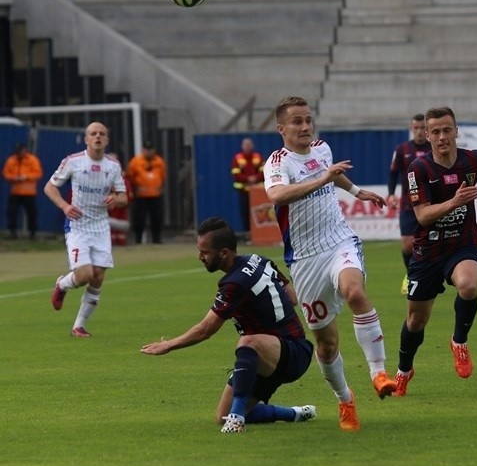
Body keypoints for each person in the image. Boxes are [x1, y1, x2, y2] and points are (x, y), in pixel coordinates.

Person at [263, 95, 396, 432]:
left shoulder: (322, 149)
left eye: (308, 120)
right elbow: (277, 196)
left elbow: (332, 175)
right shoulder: (278, 162)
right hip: (305, 259)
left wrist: (356, 190)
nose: (305, 126)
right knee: (326, 344)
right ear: (282, 128)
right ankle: (344, 399)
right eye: (297, 121)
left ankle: (378, 372)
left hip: (339, 241)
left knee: (354, 291)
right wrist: (324, 179)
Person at [141, 217, 316, 434]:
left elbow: (207, 329)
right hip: (267, 355)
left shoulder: (234, 283)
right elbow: (291, 297)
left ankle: (236, 420)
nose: (200, 257)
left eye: (204, 252)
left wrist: (169, 345)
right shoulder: (258, 259)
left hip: (292, 352)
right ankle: (296, 414)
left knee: (248, 341)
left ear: (223, 253)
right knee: (220, 415)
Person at [393, 107, 477, 396]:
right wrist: (454, 202)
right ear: (427, 135)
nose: (442, 137)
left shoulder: (474, 159)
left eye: (447, 130)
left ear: (456, 131)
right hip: (428, 251)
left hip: (462, 244)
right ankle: (404, 370)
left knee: (469, 285)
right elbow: (423, 216)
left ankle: (459, 342)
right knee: (416, 321)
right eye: (435, 132)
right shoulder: (419, 168)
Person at [44, 122, 128, 337]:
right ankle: (62, 284)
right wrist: (64, 206)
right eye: (93, 133)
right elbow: (50, 187)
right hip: (78, 225)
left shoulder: (114, 166)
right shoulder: (73, 162)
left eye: (102, 133)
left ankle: (78, 326)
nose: (98, 136)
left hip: (100, 226)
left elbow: (124, 197)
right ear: (86, 139)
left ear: (107, 140)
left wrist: (115, 199)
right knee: (84, 275)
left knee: (98, 276)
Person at [386, 114, 431, 294]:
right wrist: (390, 194)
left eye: (422, 128)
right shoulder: (402, 149)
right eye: (416, 128)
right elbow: (393, 174)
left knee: (431, 242)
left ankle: (431, 274)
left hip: (429, 203)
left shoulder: (433, 149)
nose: (419, 131)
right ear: (411, 129)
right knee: (406, 244)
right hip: (407, 204)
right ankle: (410, 274)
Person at [126, 141, 166, 244]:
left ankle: (157, 240)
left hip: (156, 195)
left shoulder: (159, 161)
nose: (149, 152)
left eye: (150, 149)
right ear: (143, 150)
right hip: (141, 196)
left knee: (156, 218)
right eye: (146, 149)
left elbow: (163, 176)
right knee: (139, 219)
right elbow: (129, 176)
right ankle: (138, 240)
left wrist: (160, 188)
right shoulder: (136, 162)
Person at [2, 142, 43, 240]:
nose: (19, 153)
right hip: (15, 192)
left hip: (29, 193)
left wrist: (26, 177)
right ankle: (13, 233)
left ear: (25, 150)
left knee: (32, 213)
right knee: (11, 212)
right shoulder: (11, 160)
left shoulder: (32, 160)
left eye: (20, 151)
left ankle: (32, 233)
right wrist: (14, 178)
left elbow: (38, 174)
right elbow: (5, 173)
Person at [231, 137, 264, 237]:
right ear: (242, 146)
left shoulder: (258, 157)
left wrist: (255, 178)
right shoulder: (238, 158)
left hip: (257, 192)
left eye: (249, 144)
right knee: (245, 213)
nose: (248, 147)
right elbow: (235, 173)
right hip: (244, 191)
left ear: (252, 145)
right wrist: (247, 179)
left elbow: (264, 171)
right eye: (246, 145)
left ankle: (259, 234)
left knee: (259, 212)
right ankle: (248, 234)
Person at [107, 153, 133, 246]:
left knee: (121, 231)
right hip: (106, 208)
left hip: (120, 208)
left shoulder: (123, 178)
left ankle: (122, 246)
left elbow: (128, 194)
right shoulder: (101, 176)